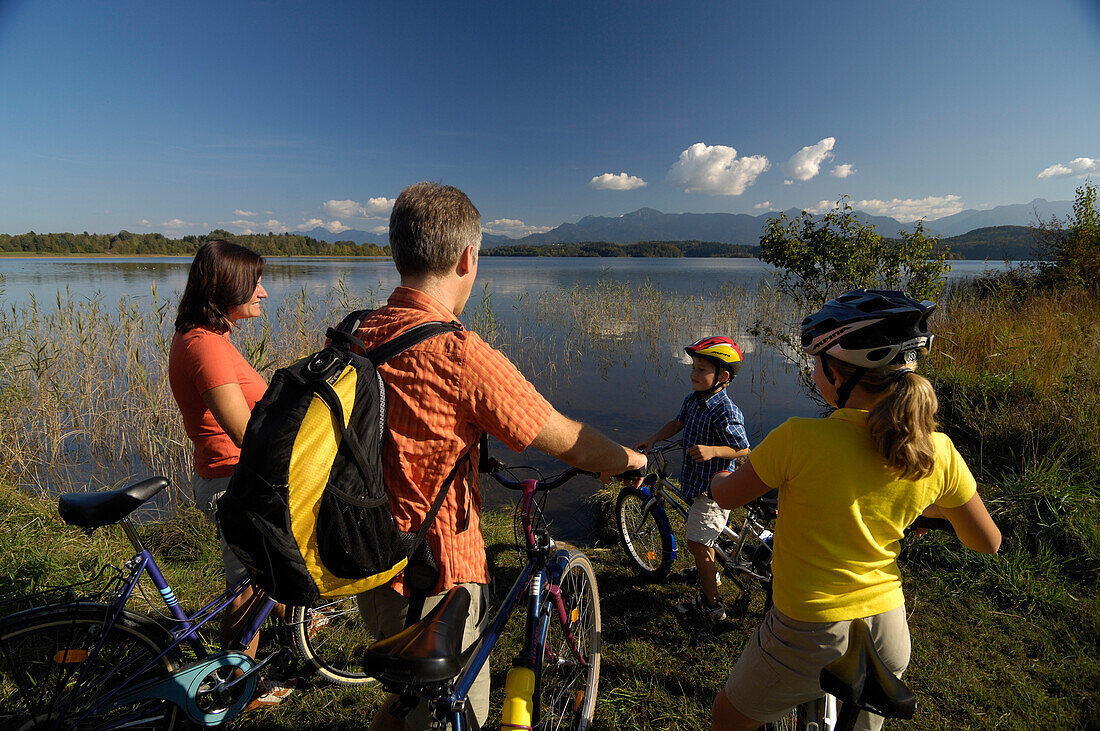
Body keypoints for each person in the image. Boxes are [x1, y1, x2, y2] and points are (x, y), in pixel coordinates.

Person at [353, 182, 647, 731]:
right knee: (458, 710)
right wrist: (627, 459)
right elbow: (563, 436)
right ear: (468, 257)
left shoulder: (356, 333)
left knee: (407, 697)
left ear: (399, 252)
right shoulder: (457, 354)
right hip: (435, 575)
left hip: (366, 557)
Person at [708, 290, 1002, 731]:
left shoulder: (797, 439)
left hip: (809, 630)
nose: (812, 370)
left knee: (725, 721)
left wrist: (718, 473)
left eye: (816, 361)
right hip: (887, 632)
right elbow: (987, 541)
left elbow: (728, 496)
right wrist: (928, 511)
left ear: (838, 374)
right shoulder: (937, 450)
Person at [168, 240, 294, 708]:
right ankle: (236, 684)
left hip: (230, 477)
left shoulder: (208, 338)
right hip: (233, 480)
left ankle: (289, 613)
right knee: (244, 584)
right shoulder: (206, 347)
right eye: (255, 283)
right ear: (227, 287)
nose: (263, 293)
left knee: (263, 568)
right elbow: (242, 432)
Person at [636, 336, 751, 621]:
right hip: (697, 484)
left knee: (698, 543)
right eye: (693, 367)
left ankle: (712, 606)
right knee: (703, 537)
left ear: (723, 376)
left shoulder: (725, 410)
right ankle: (710, 575)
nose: (693, 374)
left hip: (714, 491)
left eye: (702, 370)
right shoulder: (695, 401)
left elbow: (742, 447)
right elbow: (677, 423)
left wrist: (713, 450)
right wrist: (653, 438)